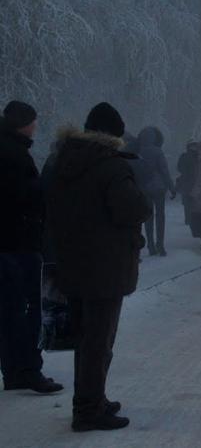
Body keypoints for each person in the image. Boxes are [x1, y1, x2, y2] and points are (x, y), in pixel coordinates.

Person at [47, 102, 151, 432]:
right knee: (99, 339)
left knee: (85, 337)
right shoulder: (110, 166)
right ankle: (89, 409)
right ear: (112, 135)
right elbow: (133, 208)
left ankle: (91, 399)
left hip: (72, 260)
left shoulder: (61, 160)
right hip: (105, 262)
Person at [0, 100, 64, 395]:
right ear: (23, 124)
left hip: (7, 242)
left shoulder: (8, 148)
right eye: (33, 121)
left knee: (9, 309)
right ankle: (29, 370)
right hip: (20, 242)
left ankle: (13, 370)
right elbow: (25, 196)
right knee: (28, 309)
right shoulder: (14, 153)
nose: (35, 126)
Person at [137, 126, 176, 256]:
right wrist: (171, 187)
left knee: (148, 217)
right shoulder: (157, 151)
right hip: (158, 188)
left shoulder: (137, 151)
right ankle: (160, 245)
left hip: (144, 188)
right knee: (160, 216)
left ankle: (151, 245)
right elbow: (164, 171)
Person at [176, 142, 199, 234]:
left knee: (186, 202)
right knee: (195, 202)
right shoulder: (198, 156)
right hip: (195, 182)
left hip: (185, 182)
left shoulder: (184, 156)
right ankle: (193, 219)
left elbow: (179, 168)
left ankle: (188, 219)